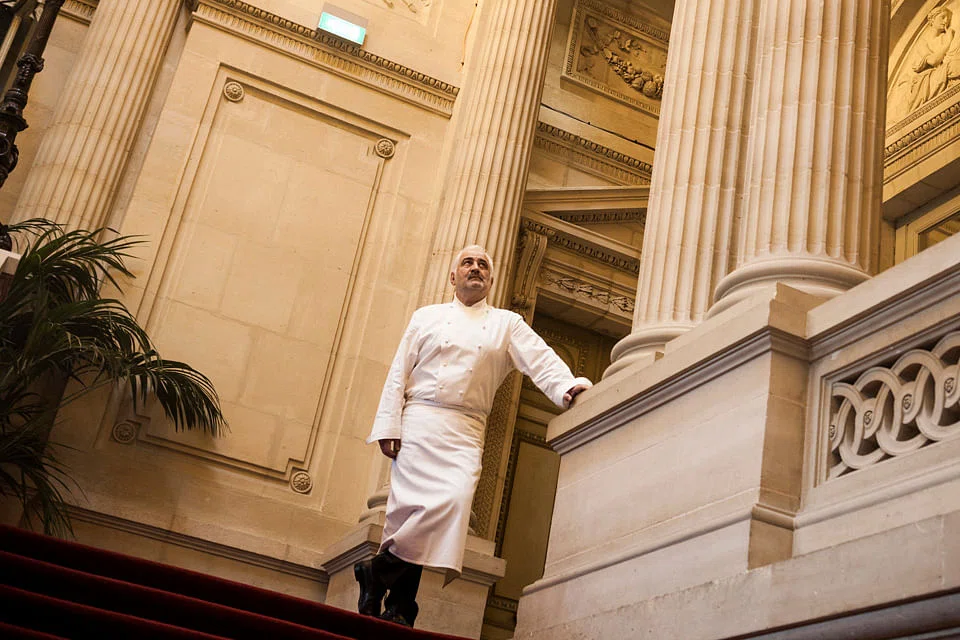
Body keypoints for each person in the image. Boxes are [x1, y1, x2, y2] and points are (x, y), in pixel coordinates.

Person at [354, 245, 592, 627]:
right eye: (467, 263)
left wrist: (567, 386)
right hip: (420, 420)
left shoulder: (506, 324)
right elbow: (399, 371)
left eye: (483, 264)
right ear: (453, 276)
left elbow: (541, 358)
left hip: (466, 429)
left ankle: (377, 572)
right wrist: (388, 425)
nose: (475, 268)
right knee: (410, 514)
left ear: (491, 280)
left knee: (453, 499)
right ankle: (399, 608)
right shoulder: (426, 316)